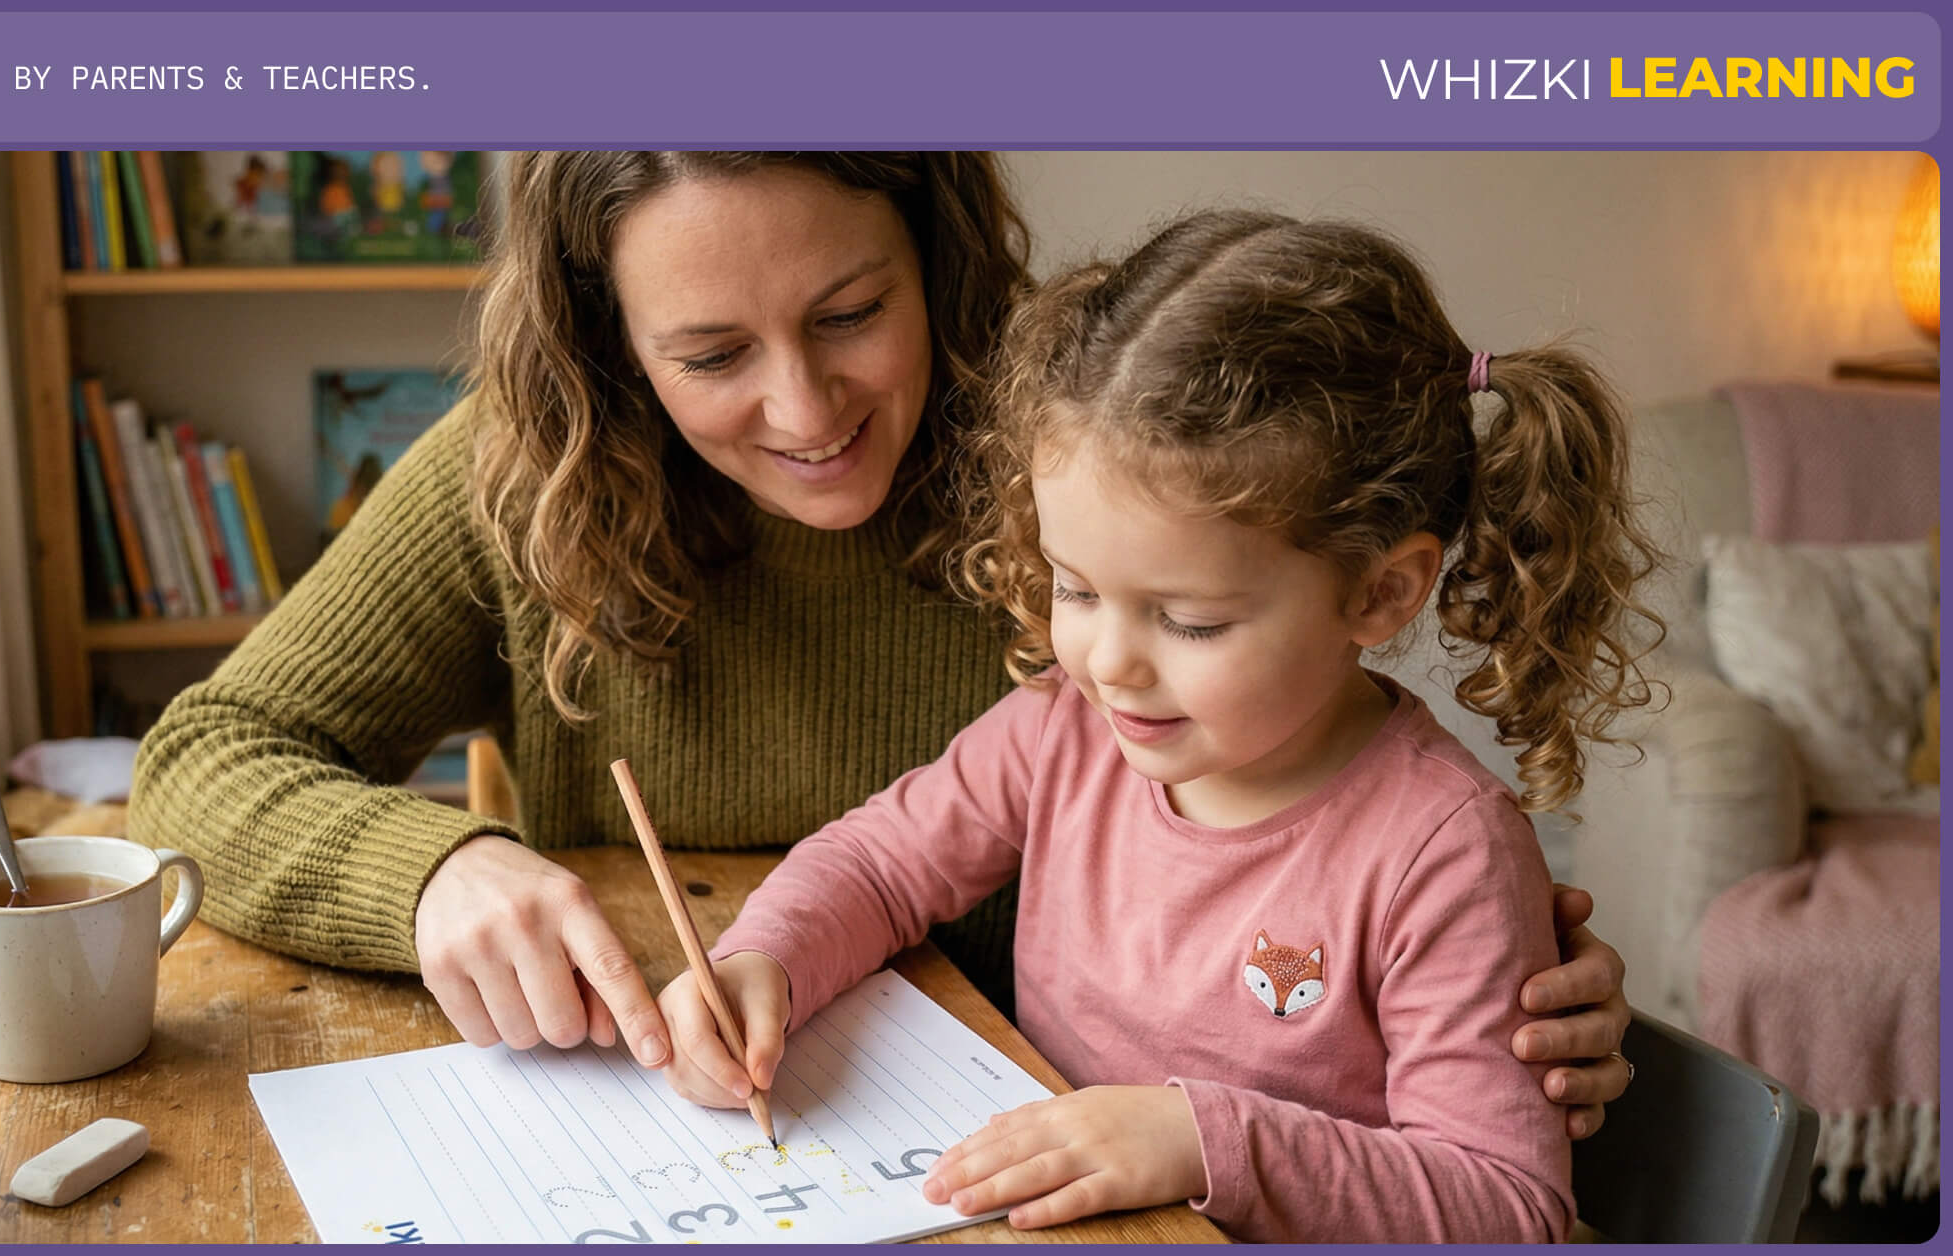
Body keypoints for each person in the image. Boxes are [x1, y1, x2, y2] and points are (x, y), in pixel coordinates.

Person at [128, 153, 1636, 1136]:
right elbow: (203, 757)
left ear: (933, 249)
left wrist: (1483, 1003)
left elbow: (1365, 951)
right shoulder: (526, 476)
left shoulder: (1104, 455)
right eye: (711, 353)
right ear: (610, 344)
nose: (804, 409)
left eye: (852, 313)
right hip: (743, 1115)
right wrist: (437, 873)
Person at [655, 210, 1665, 1241]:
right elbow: (881, 864)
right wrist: (767, 961)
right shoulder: (1066, 726)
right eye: (1077, 588)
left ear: (1380, 590)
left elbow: (1508, 1207)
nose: (1108, 663)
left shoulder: (1441, 850)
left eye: (1190, 620)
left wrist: (1200, 1141)